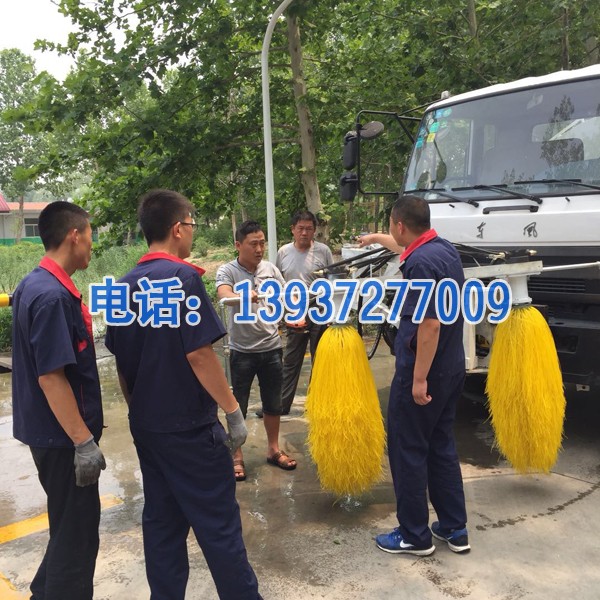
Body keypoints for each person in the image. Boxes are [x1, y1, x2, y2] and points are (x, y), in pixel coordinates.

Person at [105, 190, 261, 600]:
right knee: (219, 527)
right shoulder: (183, 278)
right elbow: (199, 354)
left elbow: (122, 362)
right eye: (191, 225)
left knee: (162, 525)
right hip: (190, 429)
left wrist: (139, 411)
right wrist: (233, 411)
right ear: (177, 228)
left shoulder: (123, 286)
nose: (192, 232)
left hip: (148, 428)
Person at [11, 201, 105, 600]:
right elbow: (51, 377)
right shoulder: (51, 297)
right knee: (78, 540)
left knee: (68, 527)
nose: (92, 245)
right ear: (75, 235)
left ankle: (42, 593)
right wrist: (83, 442)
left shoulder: (34, 285)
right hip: (63, 440)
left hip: (48, 433)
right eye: (90, 235)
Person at [375, 194, 470, 556]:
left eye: (390, 226)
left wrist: (417, 379)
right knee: (441, 445)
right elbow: (405, 246)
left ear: (400, 225)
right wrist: (374, 240)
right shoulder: (443, 250)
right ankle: (454, 528)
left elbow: (429, 325)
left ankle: (414, 535)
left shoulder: (419, 264)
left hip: (425, 371)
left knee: (408, 449)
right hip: (451, 368)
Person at [216, 220, 297, 481]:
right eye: (253, 244)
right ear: (238, 245)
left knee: (273, 403)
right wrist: (243, 296)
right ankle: (236, 455)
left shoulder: (270, 269)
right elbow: (223, 295)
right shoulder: (227, 270)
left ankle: (273, 449)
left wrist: (293, 314)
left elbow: (285, 297)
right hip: (241, 351)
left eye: (262, 243)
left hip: (272, 347)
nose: (259, 249)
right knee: (236, 406)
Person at [256, 210, 333, 417]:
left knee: (321, 360)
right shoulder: (283, 252)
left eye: (309, 229)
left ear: (315, 230)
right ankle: (280, 405)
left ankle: (318, 404)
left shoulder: (324, 251)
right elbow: (276, 283)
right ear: (293, 230)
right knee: (290, 360)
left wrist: (331, 315)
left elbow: (333, 282)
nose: (304, 233)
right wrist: (278, 314)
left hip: (319, 311)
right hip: (294, 313)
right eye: (300, 228)